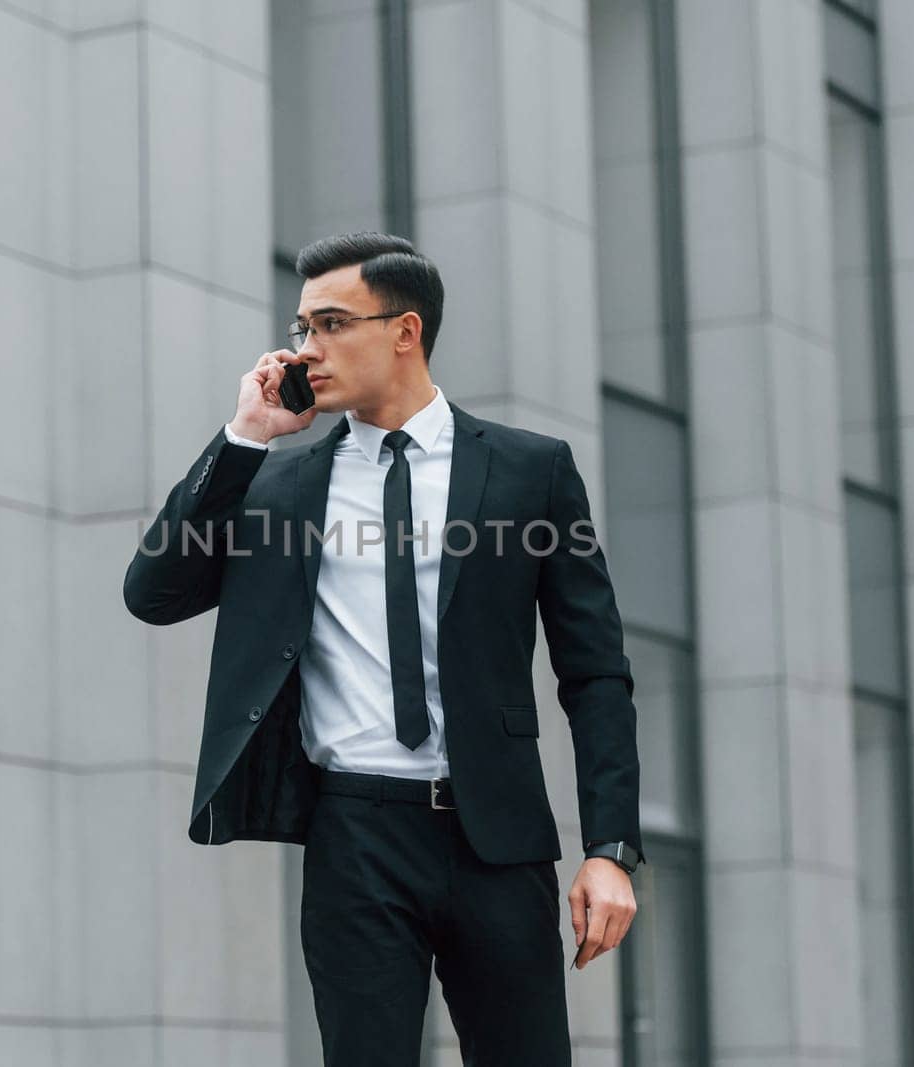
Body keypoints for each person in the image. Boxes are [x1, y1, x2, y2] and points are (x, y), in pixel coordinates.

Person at [122, 231, 644, 1066]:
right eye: (302, 328)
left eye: (330, 325)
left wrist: (610, 848)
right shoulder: (278, 485)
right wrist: (247, 436)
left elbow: (596, 672)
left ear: (405, 331)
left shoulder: (528, 472)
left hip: (498, 839)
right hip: (355, 837)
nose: (306, 349)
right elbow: (154, 593)